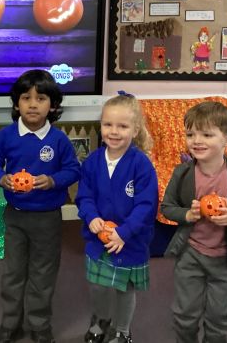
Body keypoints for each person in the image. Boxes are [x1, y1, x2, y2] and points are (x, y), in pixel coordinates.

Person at [0, 69, 81, 343]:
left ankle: (39, 324)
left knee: (43, 272)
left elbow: (73, 170)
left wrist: (52, 181)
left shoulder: (59, 140)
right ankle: (10, 323)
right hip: (15, 216)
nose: (33, 104)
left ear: (53, 105)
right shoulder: (6, 136)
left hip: (47, 218)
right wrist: (2, 178)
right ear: (17, 104)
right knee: (13, 273)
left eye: (41, 99)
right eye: (26, 98)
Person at [160, 101, 227, 343]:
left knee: (219, 318)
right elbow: (167, 208)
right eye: (190, 134)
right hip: (190, 255)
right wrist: (187, 215)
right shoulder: (182, 173)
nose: (196, 141)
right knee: (184, 315)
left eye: (206, 134)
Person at [76, 92, 158, 343]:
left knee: (125, 289)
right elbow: (84, 196)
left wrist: (124, 233)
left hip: (129, 240)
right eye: (108, 124)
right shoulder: (92, 161)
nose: (114, 131)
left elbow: (146, 205)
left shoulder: (141, 164)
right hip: (98, 238)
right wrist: (91, 216)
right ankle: (101, 319)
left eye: (122, 126)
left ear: (135, 130)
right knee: (98, 285)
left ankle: (122, 329)